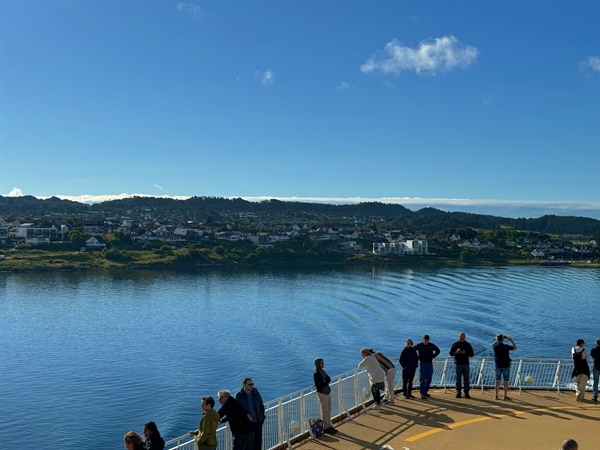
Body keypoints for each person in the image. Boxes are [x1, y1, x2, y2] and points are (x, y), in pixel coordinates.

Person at [236, 378, 266, 449]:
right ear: (244, 385)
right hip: (247, 424)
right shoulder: (239, 396)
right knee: (248, 444)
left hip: (257, 422)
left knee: (258, 442)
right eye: (249, 384)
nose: (251, 386)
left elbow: (261, 405)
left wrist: (261, 418)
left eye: (252, 384)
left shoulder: (256, 393)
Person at [313, 358, 337, 434]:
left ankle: (329, 425)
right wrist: (325, 381)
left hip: (327, 392)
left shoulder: (322, 371)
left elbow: (328, 379)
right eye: (321, 363)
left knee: (329, 409)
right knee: (325, 410)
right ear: (318, 364)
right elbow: (322, 384)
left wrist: (325, 381)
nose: (323, 364)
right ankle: (326, 427)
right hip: (322, 393)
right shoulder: (316, 373)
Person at [414, 334, 440, 399]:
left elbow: (438, 350)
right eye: (424, 339)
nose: (425, 341)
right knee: (422, 378)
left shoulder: (431, 345)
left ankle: (425, 392)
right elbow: (413, 349)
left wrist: (433, 356)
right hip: (422, 363)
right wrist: (417, 357)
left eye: (427, 340)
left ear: (428, 340)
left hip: (429, 363)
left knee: (429, 378)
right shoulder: (419, 345)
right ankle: (422, 393)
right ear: (423, 340)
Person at [449, 332, 474, 399]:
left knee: (466, 379)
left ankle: (466, 393)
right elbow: (451, 353)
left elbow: (472, 354)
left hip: (466, 364)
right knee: (458, 379)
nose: (462, 339)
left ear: (464, 338)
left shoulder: (468, 345)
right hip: (458, 364)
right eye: (460, 338)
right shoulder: (455, 344)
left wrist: (465, 353)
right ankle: (458, 392)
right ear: (458, 337)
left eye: (463, 338)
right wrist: (456, 352)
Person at [493, 334, 517, 400]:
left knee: (497, 380)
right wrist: (511, 340)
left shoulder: (495, 346)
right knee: (506, 380)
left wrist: (499, 339)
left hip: (498, 365)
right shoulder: (505, 346)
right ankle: (505, 395)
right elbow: (515, 348)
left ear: (497, 339)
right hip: (506, 365)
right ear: (502, 340)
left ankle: (496, 395)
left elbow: (495, 343)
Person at [590, 338, 600, 402]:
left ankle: (595, 396)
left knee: (596, 381)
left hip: (596, 366)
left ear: (596, 343)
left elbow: (593, 357)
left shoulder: (594, 350)